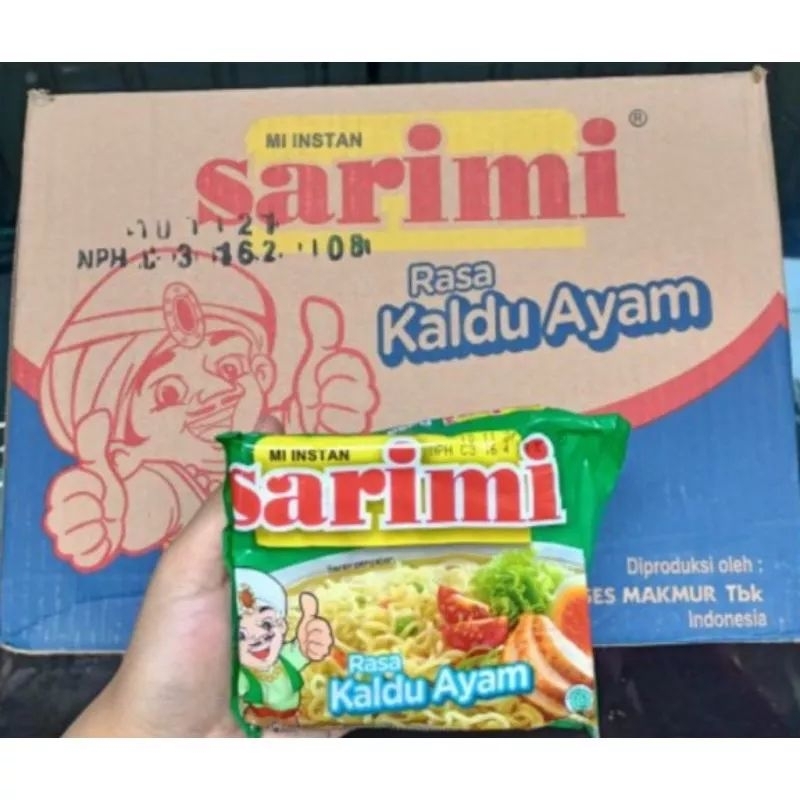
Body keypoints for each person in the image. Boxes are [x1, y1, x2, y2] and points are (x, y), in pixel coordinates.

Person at [64, 416, 345, 738]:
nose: (258, 638)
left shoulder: (287, 658)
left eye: (268, 625)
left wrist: (312, 642)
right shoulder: (248, 681)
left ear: (283, 627)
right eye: (249, 628)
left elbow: (307, 654)